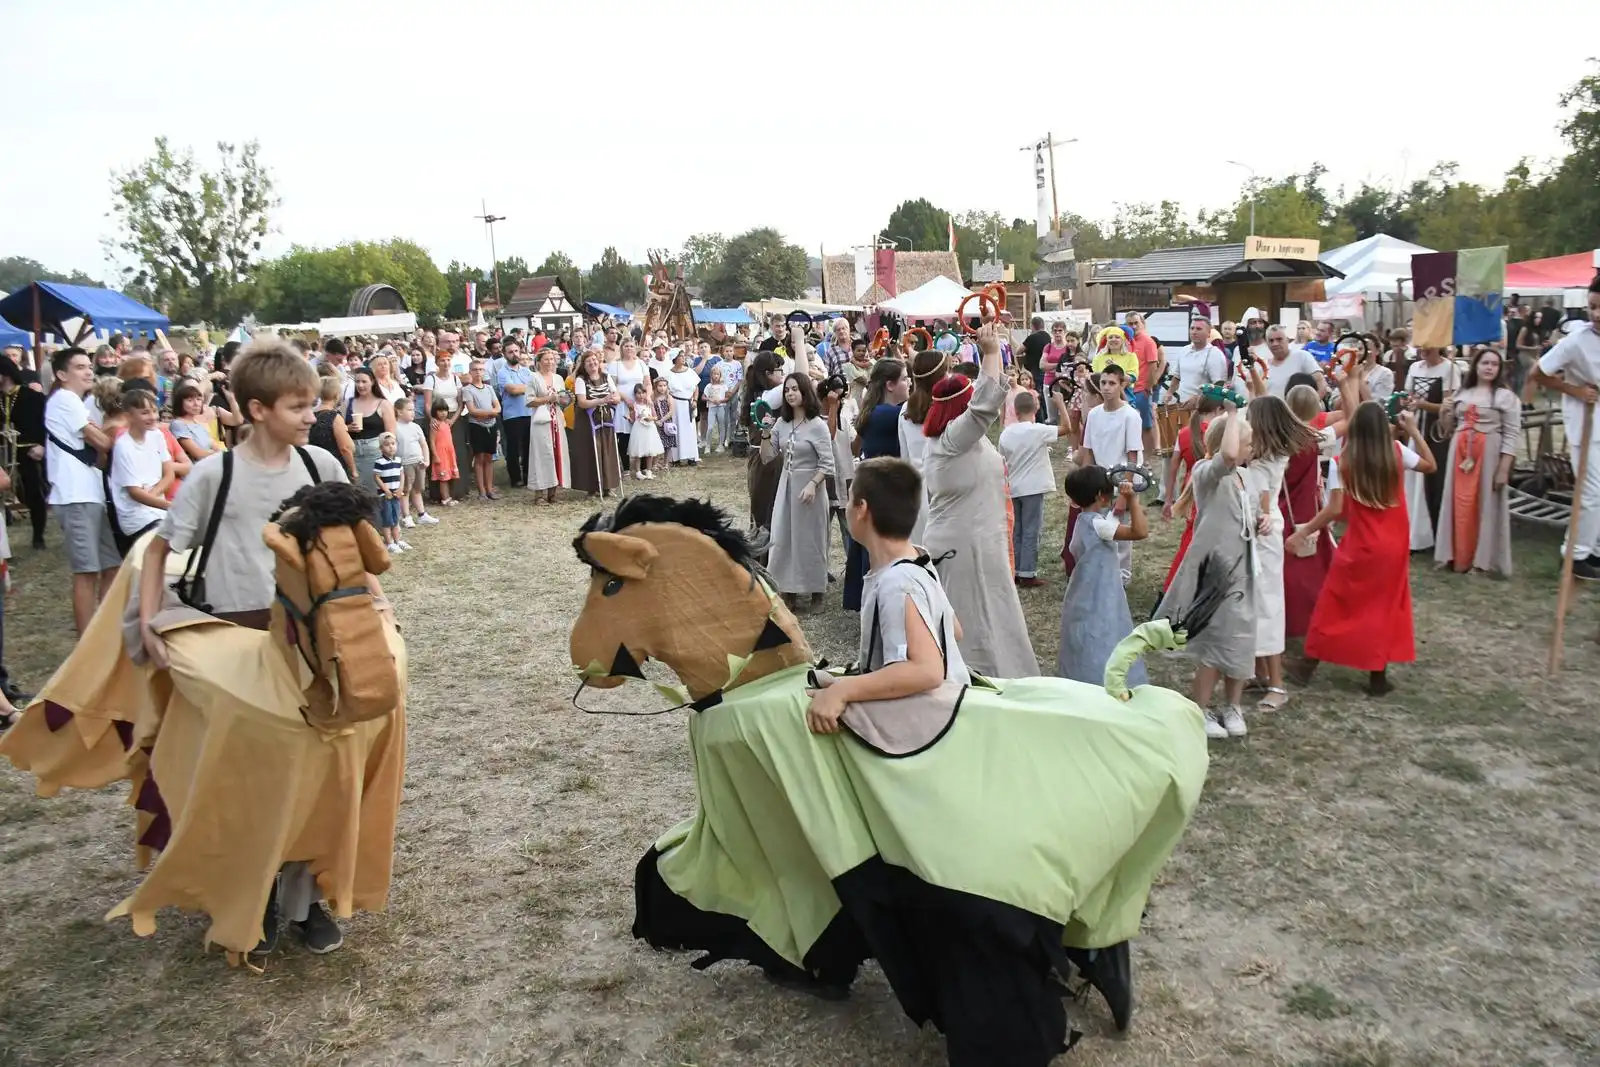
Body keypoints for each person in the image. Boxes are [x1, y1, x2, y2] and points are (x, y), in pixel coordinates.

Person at [137, 337, 357, 956]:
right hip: (233, 635)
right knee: (246, 777)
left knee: (310, 771)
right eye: (297, 405)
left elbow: (350, 549)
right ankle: (249, 897)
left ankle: (303, 900)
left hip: (310, 638)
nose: (310, 415)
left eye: (313, 404)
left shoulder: (321, 468)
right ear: (258, 409)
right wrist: (152, 621)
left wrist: (375, 607)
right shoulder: (214, 474)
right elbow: (159, 549)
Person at [1288, 365, 1436, 695]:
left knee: (1335, 603)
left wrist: (1304, 531)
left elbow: (1335, 510)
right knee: (1383, 606)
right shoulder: (1397, 452)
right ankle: (1377, 677)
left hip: (1361, 546)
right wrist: (1413, 430)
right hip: (1395, 544)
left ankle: (1307, 666)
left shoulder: (1346, 461)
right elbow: (1430, 465)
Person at [804, 457, 967, 736]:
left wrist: (845, 690)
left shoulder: (897, 582)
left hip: (928, 728)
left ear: (862, 509)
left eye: (850, 498)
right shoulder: (917, 557)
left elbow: (926, 670)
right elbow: (953, 630)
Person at [921, 325, 1037, 678]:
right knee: (974, 616)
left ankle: (1000, 672)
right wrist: (990, 352)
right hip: (964, 545)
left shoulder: (959, 440)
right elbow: (983, 407)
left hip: (974, 539)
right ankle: (975, 678)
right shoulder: (954, 437)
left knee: (992, 609)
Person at [1155, 412, 1258, 740]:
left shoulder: (1245, 477)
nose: (1251, 448)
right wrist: (1231, 414)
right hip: (1216, 572)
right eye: (1246, 442)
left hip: (1243, 568)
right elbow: (1226, 456)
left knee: (1240, 638)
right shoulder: (1206, 472)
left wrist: (1263, 522)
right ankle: (1198, 708)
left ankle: (1233, 705)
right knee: (1215, 640)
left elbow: (1248, 516)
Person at [1243, 394, 1320, 713]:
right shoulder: (1262, 456)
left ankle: (1277, 684)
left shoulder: (1269, 459)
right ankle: (1260, 672)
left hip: (1265, 532)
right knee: (1254, 604)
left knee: (1268, 608)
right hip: (1256, 532)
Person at [1530, 275, 1600, 580]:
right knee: (1591, 491)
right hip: (1585, 421)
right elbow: (1538, 373)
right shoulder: (1575, 340)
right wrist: (1575, 391)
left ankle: (1595, 548)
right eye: (1593, 306)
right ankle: (1574, 555)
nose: (1597, 314)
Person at [45, 348, 120, 634]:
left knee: (110, 564)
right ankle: (87, 640)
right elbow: (103, 444)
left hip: (89, 493)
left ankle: (105, 629)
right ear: (62, 375)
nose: (88, 371)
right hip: (74, 494)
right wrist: (110, 432)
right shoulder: (65, 399)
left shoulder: (75, 401)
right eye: (79, 367)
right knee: (86, 571)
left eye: (89, 366)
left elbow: (100, 449)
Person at [1057, 466, 1148, 685]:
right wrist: (1133, 500)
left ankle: (1080, 677)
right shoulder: (1099, 526)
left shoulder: (1082, 522)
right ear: (1101, 494)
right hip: (1102, 594)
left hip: (1081, 594)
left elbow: (1110, 523)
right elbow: (1140, 532)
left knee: (1084, 638)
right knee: (1105, 634)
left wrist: (1121, 505)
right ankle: (1103, 678)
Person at [1434, 346, 1520, 576]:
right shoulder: (1462, 393)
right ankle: (1453, 554)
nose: (1489, 367)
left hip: (1488, 453)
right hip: (1460, 452)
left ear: (1500, 368)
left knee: (1484, 503)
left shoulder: (1506, 397)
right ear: (1476, 366)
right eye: (1485, 363)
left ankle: (1481, 561)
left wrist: (1503, 468)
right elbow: (1447, 430)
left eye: (1494, 364)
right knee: (1458, 502)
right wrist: (1445, 412)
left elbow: (1512, 434)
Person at [843, 358, 910, 611]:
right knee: (881, 549)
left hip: (875, 487)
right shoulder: (889, 415)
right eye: (904, 379)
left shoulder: (877, 411)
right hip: (885, 490)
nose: (909, 383)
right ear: (890, 385)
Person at [768, 371, 835, 614]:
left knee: (810, 539)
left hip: (811, 490)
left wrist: (813, 483)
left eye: (795, 388)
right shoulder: (781, 423)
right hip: (787, 486)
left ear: (805, 392)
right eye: (787, 390)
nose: (790, 393)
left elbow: (828, 464)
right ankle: (789, 590)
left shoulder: (818, 425)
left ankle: (817, 591)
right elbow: (768, 456)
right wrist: (766, 432)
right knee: (785, 537)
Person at [999, 389, 1070, 587]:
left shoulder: (1006, 433)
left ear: (1015, 409)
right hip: (1032, 487)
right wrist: (1060, 404)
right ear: (1035, 408)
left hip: (1013, 486)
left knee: (1017, 530)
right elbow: (1066, 428)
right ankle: (1027, 572)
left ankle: (1014, 569)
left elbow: (1001, 461)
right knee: (1031, 530)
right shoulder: (1037, 430)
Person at [1399, 346, 1460, 551]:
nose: (1423, 350)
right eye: (1420, 347)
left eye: (1428, 347)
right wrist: (1406, 403)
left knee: (1435, 476)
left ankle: (1434, 532)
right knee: (1413, 477)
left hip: (1436, 430)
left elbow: (1448, 407)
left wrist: (1422, 405)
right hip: (1415, 426)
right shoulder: (1415, 367)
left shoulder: (1449, 369)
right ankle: (1412, 532)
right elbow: (1409, 398)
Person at [108, 388, 174, 555]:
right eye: (145, 413)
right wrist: (171, 506)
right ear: (129, 416)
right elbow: (135, 493)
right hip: (137, 517)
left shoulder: (157, 435)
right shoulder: (124, 446)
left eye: (154, 411)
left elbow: (169, 473)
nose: (152, 417)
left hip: (158, 508)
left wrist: (154, 493)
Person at [0, 355, 48, 550]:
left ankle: (38, 535)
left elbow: (46, 424)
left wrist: (42, 445)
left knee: (33, 494)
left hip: (28, 452)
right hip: (3, 454)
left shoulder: (32, 396)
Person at [571, 350, 621, 499]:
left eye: (594, 360)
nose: (592, 363)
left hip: (604, 418)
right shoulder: (581, 380)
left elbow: (616, 395)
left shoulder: (606, 377)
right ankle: (591, 488)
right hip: (588, 419)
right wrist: (601, 400)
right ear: (583, 365)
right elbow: (582, 402)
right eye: (588, 362)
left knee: (607, 450)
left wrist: (614, 399)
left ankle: (607, 486)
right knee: (590, 451)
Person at [346, 366, 397, 504]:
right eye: (357, 382)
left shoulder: (383, 404)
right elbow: (339, 427)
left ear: (373, 382)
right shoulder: (349, 403)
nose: (360, 385)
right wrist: (347, 428)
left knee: (376, 493)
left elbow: (390, 434)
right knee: (356, 494)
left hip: (375, 451)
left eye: (364, 381)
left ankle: (382, 524)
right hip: (353, 452)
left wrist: (388, 458)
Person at [421, 349, 465, 503]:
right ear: (437, 363)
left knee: (455, 454)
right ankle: (438, 493)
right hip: (436, 416)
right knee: (439, 454)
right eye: (442, 361)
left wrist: (453, 418)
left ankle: (457, 491)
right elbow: (427, 403)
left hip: (453, 416)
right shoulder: (431, 379)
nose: (445, 364)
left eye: (448, 360)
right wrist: (432, 418)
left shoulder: (455, 379)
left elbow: (460, 402)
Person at [527, 346, 569, 504]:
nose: (549, 362)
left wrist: (563, 399)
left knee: (556, 453)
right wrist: (547, 399)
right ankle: (539, 494)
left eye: (552, 359)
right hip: (541, 420)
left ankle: (553, 493)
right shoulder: (534, 378)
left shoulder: (558, 378)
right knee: (541, 454)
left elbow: (563, 398)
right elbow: (529, 401)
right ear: (539, 362)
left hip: (556, 419)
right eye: (546, 359)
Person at [169, 382, 242, 462]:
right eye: (190, 400)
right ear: (180, 403)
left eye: (198, 399)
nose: (196, 404)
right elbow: (196, 453)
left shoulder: (197, 422)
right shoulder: (178, 424)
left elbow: (213, 445)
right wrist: (221, 456)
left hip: (213, 461)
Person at [459, 359, 500, 500]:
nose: (478, 372)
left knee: (489, 457)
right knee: (479, 457)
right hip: (476, 426)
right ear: (470, 372)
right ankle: (481, 489)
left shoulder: (489, 388)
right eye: (475, 370)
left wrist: (492, 413)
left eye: (481, 369)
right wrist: (490, 413)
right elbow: (472, 410)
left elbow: (497, 406)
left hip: (491, 425)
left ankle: (490, 488)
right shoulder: (467, 390)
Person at [496, 340, 534, 489]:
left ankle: (528, 475)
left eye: (516, 351)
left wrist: (523, 388)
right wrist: (527, 387)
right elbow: (513, 390)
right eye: (510, 352)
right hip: (512, 415)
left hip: (529, 412)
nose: (514, 354)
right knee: (513, 448)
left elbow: (534, 387)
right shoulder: (502, 372)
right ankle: (515, 478)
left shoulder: (526, 371)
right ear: (505, 354)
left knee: (528, 447)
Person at [392, 399, 436, 528]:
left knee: (417, 489)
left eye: (413, 409)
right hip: (404, 464)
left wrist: (426, 460)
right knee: (405, 490)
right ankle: (406, 516)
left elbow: (423, 444)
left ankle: (422, 514)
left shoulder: (416, 427)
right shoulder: (395, 427)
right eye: (409, 410)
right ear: (399, 412)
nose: (413, 412)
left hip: (418, 462)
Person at [309, 374, 357, 479]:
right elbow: (345, 447)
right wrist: (353, 470)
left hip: (315, 465)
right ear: (336, 394)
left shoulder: (311, 415)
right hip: (334, 466)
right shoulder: (334, 417)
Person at [664, 347, 701, 466]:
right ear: (675, 359)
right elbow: (666, 391)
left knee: (689, 430)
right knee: (676, 430)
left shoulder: (690, 372)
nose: (683, 358)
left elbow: (696, 388)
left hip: (688, 404)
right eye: (680, 356)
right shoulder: (668, 374)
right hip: (675, 404)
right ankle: (676, 458)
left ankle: (691, 456)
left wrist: (694, 400)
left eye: (683, 356)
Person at [373, 432, 407, 554]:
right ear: (381, 448)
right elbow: (376, 477)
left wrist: (400, 488)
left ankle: (398, 540)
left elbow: (401, 474)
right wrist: (385, 490)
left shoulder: (398, 460)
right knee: (387, 520)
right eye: (387, 445)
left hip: (396, 494)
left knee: (396, 517)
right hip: (385, 495)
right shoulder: (380, 462)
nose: (391, 447)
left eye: (393, 444)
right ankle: (389, 543)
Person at [626, 382, 663, 479]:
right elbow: (633, 419)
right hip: (639, 429)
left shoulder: (649, 404)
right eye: (638, 393)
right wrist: (629, 418)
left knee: (650, 451)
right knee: (639, 451)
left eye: (643, 393)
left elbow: (655, 417)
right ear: (635, 395)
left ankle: (649, 470)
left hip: (649, 429)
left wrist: (650, 418)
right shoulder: (634, 405)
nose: (641, 395)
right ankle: (638, 472)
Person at [429, 398, 460, 506]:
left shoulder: (446, 423)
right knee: (443, 478)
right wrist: (435, 455)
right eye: (440, 411)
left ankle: (449, 496)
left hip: (449, 453)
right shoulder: (435, 425)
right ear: (434, 412)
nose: (443, 413)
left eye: (445, 410)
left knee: (449, 475)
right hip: (440, 454)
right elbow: (432, 442)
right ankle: (445, 498)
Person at [703, 365, 732, 453]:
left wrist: (721, 400)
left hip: (721, 407)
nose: (716, 376)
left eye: (717, 374)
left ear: (720, 375)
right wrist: (710, 399)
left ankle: (720, 444)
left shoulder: (723, 386)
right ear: (711, 375)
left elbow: (728, 397)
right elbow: (703, 397)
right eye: (714, 374)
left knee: (721, 426)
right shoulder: (708, 386)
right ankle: (707, 445)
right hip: (712, 408)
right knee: (710, 427)